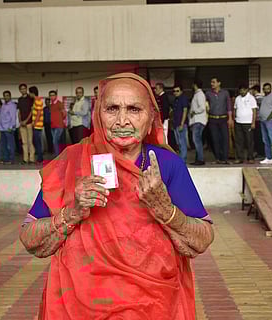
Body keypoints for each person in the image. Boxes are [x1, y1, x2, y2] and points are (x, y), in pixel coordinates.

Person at [19, 72, 214, 319]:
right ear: (98, 113)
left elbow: (202, 240)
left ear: (152, 116)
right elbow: (29, 238)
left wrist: (167, 211)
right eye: (112, 109)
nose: (122, 120)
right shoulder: (73, 160)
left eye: (134, 109)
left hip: (153, 305)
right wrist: (73, 212)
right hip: (80, 306)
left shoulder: (166, 164)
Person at [206, 77, 233, 164]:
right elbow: (206, 105)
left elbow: (229, 106)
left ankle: (225, 158)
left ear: (219, 83)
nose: (212, 84)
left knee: (225, 139)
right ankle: (217, 158)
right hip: (212, 119)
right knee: (215, 139)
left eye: (213, 82)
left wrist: (230, 118)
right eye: (211, 82)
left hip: (223, 118)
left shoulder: (225, 93)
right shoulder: (208, 93)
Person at [233, 84, 257, 164]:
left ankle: (250, 157)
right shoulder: (237, 98)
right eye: (240, 90)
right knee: (239, 141)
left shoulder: (251, 98)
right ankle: (240, 158)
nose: (242, 91)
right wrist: (235, 119)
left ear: (247, 90)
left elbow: (254, 111)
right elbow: (235, 109)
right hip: (238, 122)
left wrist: (253, 122)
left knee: (249, 141)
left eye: (243, 90)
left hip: (248, 122)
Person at [189, 79, 207, 165]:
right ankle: (198, 158)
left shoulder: (199, 94)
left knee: (197, 140)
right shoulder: (197, 94)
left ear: (195, 84)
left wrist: (193, 111)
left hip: (198, 120)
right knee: (197, 140)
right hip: (197, 120)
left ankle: (200, 159)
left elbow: (202, 107)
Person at [0, 90, 17, 164]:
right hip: (2, 128)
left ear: (10, 96)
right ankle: (5, 159)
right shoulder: (3, 105)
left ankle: (11, 159)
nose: (6, 97)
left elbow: (13, 117)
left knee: (10, 145)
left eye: (7, 95)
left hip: (8, 128)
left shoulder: (12, 105)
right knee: (3, 145)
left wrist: (11, 127)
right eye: (4, 96)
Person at [18, 83, 35, 164]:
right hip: (22, 124)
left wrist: (26, 120)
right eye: (21, 89)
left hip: (29, 123)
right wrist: (20, 121)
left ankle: (31, 159)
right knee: (24, 142)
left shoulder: (30, 98)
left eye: (24, 88)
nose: (23, 90)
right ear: (19, 90)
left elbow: (32, 111)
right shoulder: (19, 99)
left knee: (30, 141)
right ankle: (25, 159)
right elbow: (19, 112)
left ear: (26, 89)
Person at [171, 85, 189, 163]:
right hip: (175, 124)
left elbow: (185, 110)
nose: (175, 93)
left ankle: (183, 159)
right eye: (174, 91)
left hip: (181, 124)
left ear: (181, 91)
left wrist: (182, 123)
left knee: (182, 142)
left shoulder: (183, 99)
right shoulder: (175, 100)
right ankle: (181, 158)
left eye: (177, 91)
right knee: (178, 142)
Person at [48, 90, 67, 157]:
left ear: (56, 96)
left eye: (53, 95)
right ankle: (58, 155)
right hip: (52, 126)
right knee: (56, 141)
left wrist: (61, 121)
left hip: (59, 125)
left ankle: (57, 156)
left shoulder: (59, 103)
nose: (52, 97)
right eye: (50, 95)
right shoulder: (51, 105)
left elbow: (64, 113)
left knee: (55, 141)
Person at [29, 86, 44, 164]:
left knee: (37, 142)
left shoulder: (38, 101)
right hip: (37, 124)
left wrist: (34, 123)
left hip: (37, 125)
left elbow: (38, 113)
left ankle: (40, 159)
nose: (29, 94)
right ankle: (40, 158)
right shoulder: (36, 100)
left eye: (30, 93)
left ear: (32, 93)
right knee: (37, 142)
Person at [250, 84, 265, 159]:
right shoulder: (262, 97)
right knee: (258, 137)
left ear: (255, 90)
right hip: (260, 119)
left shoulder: (257, 98)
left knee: (258, 137)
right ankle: (260, 152)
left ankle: (261, 153)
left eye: (252, 90)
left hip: (258, 119)